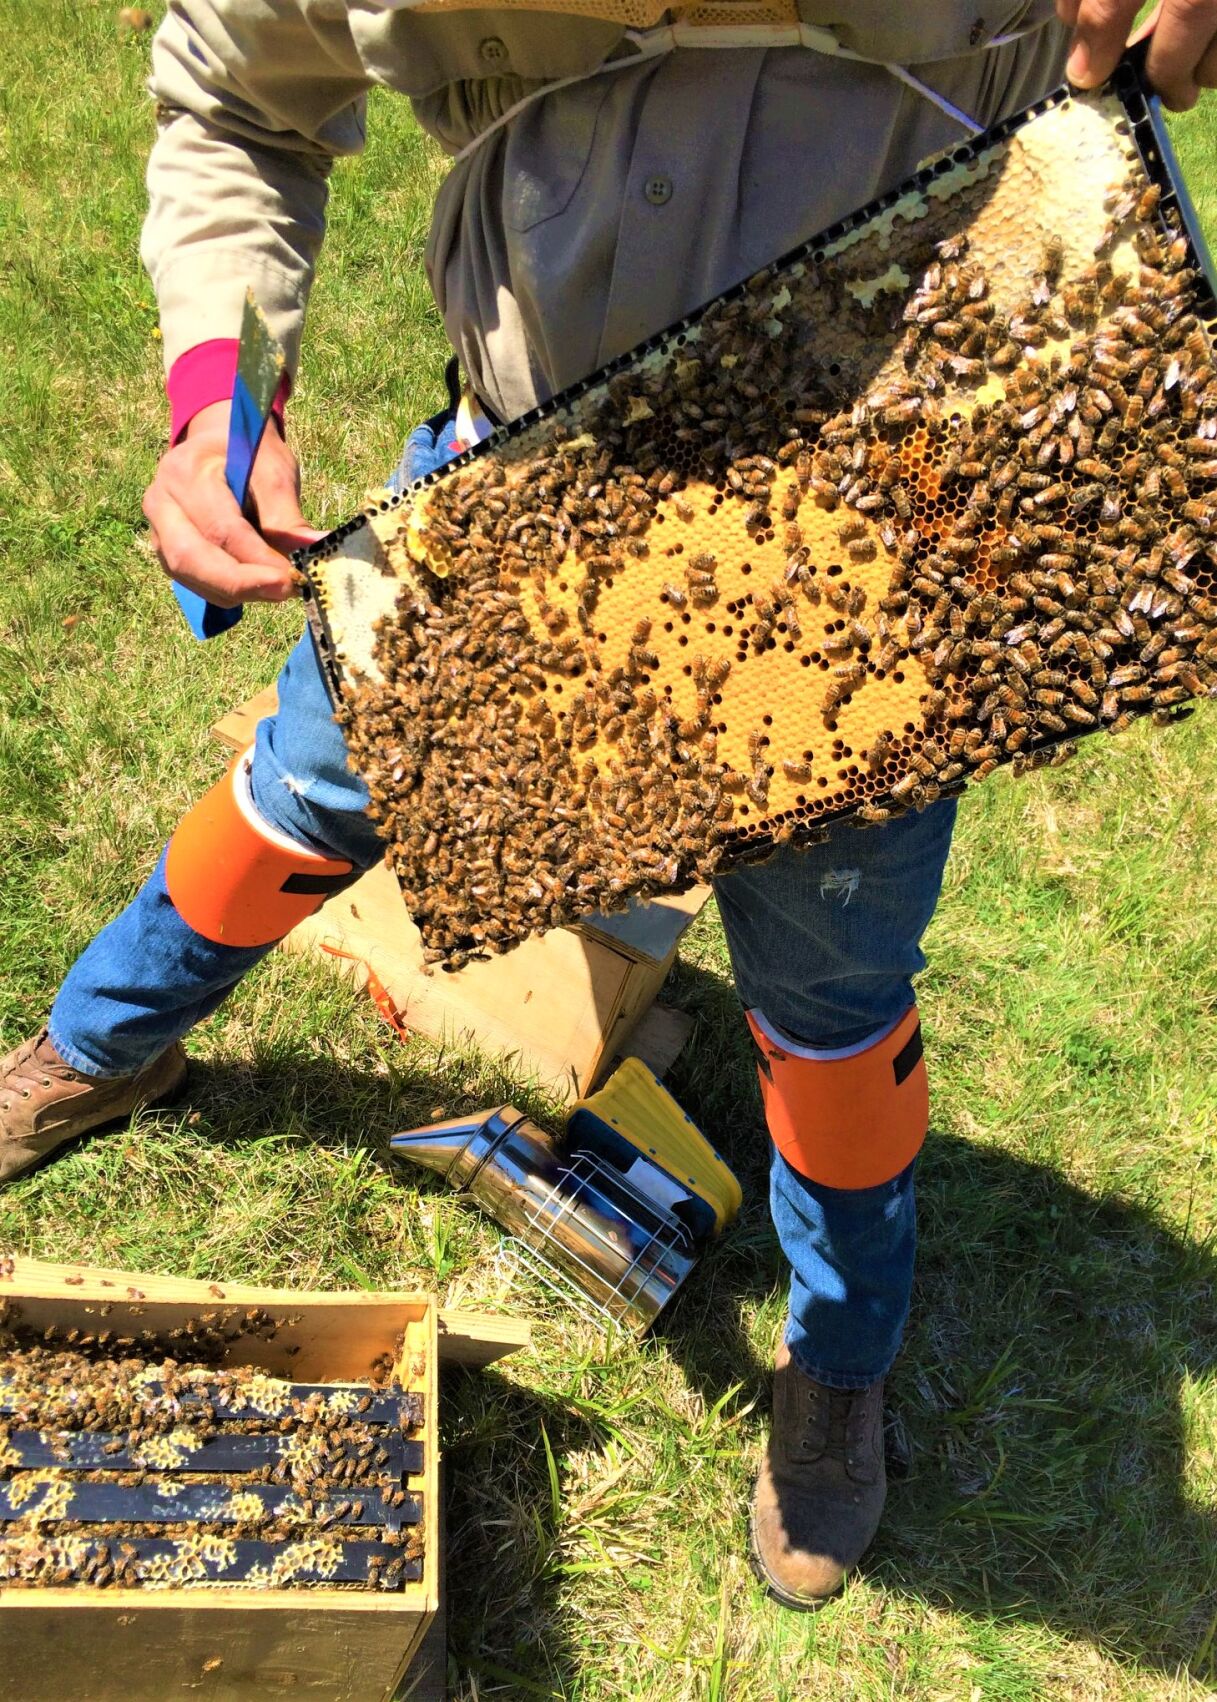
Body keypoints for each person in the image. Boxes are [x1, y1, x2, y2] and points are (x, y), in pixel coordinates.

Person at [4, 0, 1216, 1610]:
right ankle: (99, 1047)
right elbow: (233, 105)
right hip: (518, 501)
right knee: (298, 800)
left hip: (866, 551)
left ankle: (838, 1352)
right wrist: (218, 384)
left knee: (835, 1013)